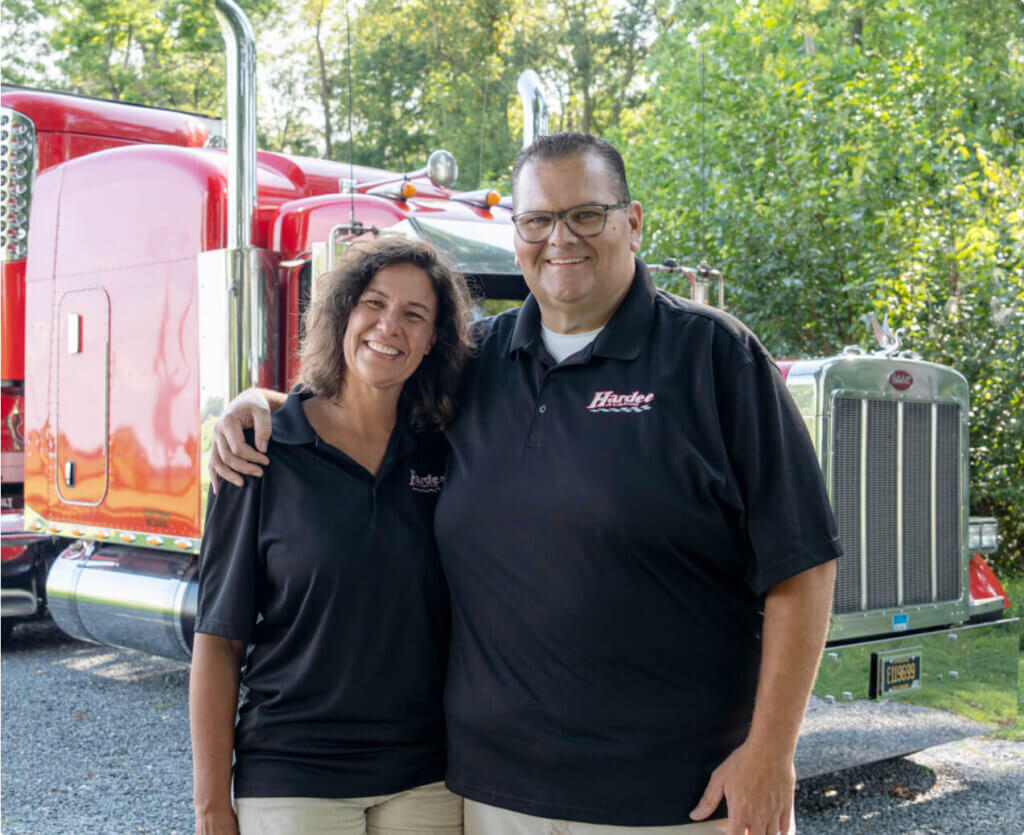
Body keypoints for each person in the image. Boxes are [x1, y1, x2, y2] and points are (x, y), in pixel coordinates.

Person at [209, 134, 841, 835]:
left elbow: (803, 565)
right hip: (492, 801)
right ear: (515, 236)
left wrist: (772, 751)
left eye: (585, 215)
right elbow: (363, 392)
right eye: (537, 219)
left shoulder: (715, 358)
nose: (559, 238)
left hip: (675, 799)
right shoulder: (476, 365)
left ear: (633, 222)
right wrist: (261, 404)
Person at [190, 237, 473, 835]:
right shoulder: (260, 451)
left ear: (432, 340)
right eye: (374, 303)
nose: (389, 326)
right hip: (295, 776)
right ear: (342, 312)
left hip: (426, 776)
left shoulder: (447, 452)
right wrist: (212, 806)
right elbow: (218, 643)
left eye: (414, 314)